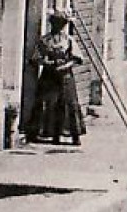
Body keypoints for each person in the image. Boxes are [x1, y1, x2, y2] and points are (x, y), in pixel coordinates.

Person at [28, 10, 86, 147]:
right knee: (48, 103)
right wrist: (45, 63)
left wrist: (66, 66)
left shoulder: (68, 40)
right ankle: (51, 135)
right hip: (49, 76)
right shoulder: (45, 40)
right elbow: (35, 58)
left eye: (60, 24)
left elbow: (78, 58)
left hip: (65, 76)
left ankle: (74, 135)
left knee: (69, 104)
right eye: (55, 24)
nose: (57, 27)